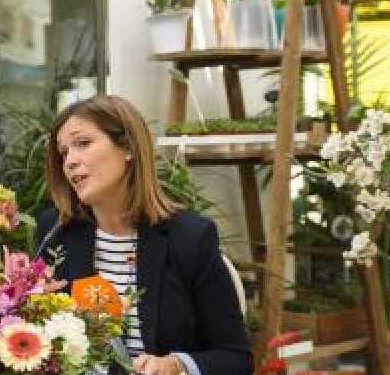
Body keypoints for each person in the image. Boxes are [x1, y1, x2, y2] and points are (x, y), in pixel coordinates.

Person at [34, 95, 252, 375]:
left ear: (128, 148)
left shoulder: (190, 238)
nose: (70, 162)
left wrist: (177, 365)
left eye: (83, 144)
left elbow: (235, 358)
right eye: (64, 153)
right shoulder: (56, 232)